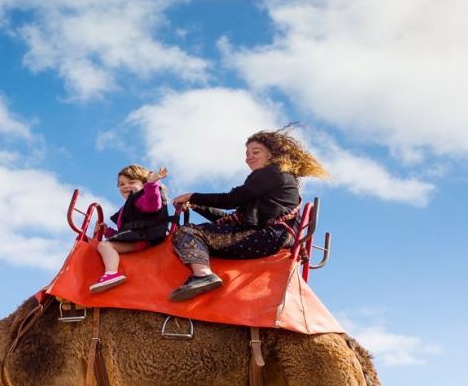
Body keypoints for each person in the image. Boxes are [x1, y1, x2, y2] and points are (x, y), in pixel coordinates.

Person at [167, 128, 327, 302]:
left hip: (268, 236)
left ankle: (202, 275)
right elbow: (233, 218)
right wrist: (198, 205)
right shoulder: (277, 181)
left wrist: (192, 196)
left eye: (255, 152)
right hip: (275, 235)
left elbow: (231, 199)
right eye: (247, 153)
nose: (248, 157)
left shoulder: (271, 173)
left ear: (272, 155)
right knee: (212, 230)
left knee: (186, 232)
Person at [89, 164, 170, 293]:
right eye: (121, 184)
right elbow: (126, 233)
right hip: (139, 237)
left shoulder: (142, 197)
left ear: (143, 184)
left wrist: (151, 184)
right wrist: (108, 231)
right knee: (106, 244)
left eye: (131, 182)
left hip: (145, 239)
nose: (125, 186)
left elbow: (153, 205)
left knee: (104, 246)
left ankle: (111, 273)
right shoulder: (128, 206)